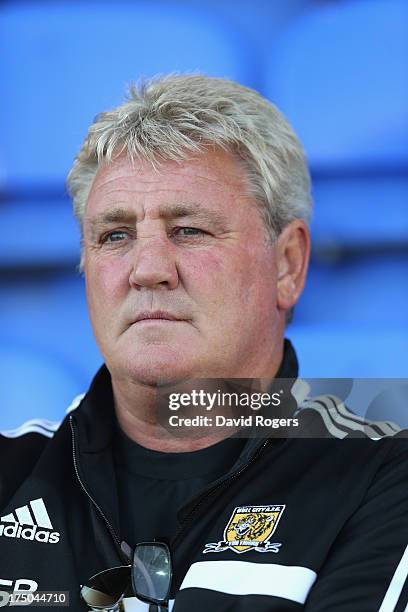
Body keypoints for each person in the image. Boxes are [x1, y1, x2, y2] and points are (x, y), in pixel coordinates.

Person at [0, 75, 407, 611]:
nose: (147, 270)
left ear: (288, 264)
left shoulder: (383, 479)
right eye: (114, 235)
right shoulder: (10, 472)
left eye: (189, 230)